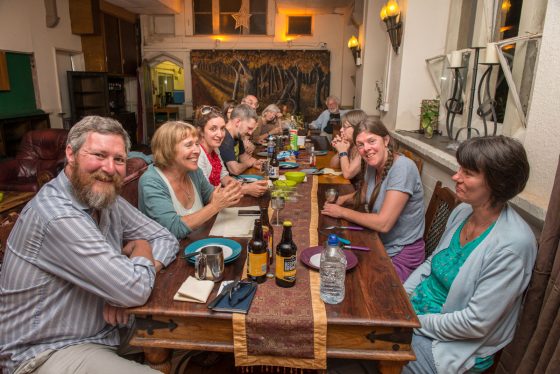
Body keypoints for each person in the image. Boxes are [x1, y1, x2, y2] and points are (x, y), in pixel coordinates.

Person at [0, 116, 179, 374]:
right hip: (47, 351)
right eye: (99, 155)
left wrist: (125, 283)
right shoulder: (57, 214)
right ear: (70, 154)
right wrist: (140, 250)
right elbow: (133, 289)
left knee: (198, 337)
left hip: (108, 328)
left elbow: (165, 238)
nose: (109, 168)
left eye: (118, 159)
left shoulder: (105, 197)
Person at [402, 136, 537, 374]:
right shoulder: (464, 211)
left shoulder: (513, 245)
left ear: (498, 183)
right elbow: (433, 262)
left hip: (451, 346)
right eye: (459, 169)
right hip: (415, 317)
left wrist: (411, 321)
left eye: (468, 172)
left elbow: (474, 324)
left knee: (362, 350)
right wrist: (401, 296)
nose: (456, 177)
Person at [321, 118, 425, 282]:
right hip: (379, 243)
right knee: (334, 266)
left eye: (371, 141)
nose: (366, 148)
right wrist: (342, 200)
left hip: (400, 254)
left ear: (385, 140)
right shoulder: (372, 164)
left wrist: (342, 212)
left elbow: (383, 223)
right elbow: (363, 196)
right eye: (360, 144)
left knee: (353, 281)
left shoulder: (403, 168)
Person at [139, 121, 242, 240]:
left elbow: (211, 196)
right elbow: (173, 229)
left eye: (197, 144)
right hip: (173, 255)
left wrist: (230, 193)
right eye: (189, 145)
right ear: (168, 149)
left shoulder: (193, 171)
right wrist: (215, 206)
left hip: (198, 242)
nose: (197, 151)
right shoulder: (151, 181)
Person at [195, 105, 268, 197]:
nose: (220, 134)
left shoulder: (215, 149)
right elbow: (207, 193)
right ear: (201, 131)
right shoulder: (198, 154)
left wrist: (245, 186)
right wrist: (245, 189)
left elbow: (224, 177)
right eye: (213, 129)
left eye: (222, 128)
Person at [219, 104, 264, 176]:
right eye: (249, 128)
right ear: (237, 122)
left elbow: (243, 157)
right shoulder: (224, 137)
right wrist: (249, 163)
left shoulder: (237, 135)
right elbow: (234, 170)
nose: (250, 133)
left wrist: (256, 162)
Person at [329, 110, 367, 184]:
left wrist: (343, 152)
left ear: (358, 128)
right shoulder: (351, 144)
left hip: (359, 192)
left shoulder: (364, 148)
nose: (341, 130)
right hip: (351, 187)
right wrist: (340, 149)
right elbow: (333, 165)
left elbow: (347, 174)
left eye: (345, 127)